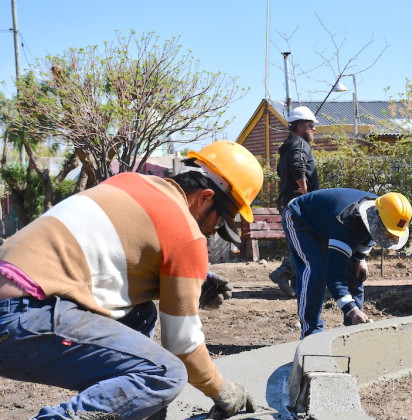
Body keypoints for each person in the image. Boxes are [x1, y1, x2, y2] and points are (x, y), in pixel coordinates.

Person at [0, 141, 263, 419]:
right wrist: (221, 389)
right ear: (205, 197)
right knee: (165, 373)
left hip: (19, 307)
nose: (212, 232)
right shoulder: (186, 233)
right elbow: (183, 345)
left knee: (141, 314)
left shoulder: (129, 183)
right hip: (22, 317)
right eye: (220, 222)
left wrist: (184, 287)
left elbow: (105, 267)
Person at [282, 189, 412, 338]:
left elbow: (371, 233)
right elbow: (335, 277)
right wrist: (351, 310)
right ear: (377, 219)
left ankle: (353, 330)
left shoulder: (386, 210)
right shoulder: (346, 224)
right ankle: (310, 333)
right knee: (317, 268)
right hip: (300, 218)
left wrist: (360, 258)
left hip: (329, 223)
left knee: (356, 273)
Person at [269, 106, 321, 298]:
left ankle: (299, 286)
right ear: (300, 126)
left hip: (288, 201)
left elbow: (281, 171)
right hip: (299, 202)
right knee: (309, 243)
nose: (313, 129)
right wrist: (305, 191)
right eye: (310, 125)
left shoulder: (287, 146)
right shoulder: (300, 145)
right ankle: (282, 273)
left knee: (298, 243)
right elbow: (298, 164)